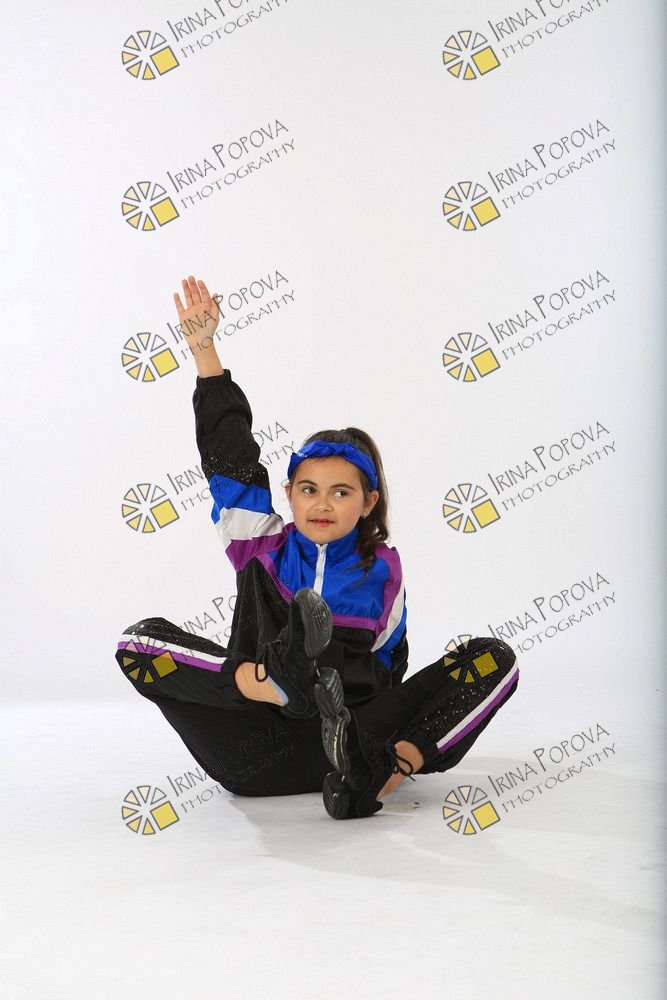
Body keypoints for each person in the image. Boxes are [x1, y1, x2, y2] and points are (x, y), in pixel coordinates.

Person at [114, 275, 520, 820]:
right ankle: (271, 683)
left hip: (348, 751)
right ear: (289, 495)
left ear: (368, 501)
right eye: (308, 490)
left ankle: (379, 780)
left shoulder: (383, 574)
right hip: (253, 746)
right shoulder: (259, 545)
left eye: (341, 492)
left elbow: (388, 675)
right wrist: (205, 351)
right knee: (139, 644)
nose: (322, 504)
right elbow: (231, 458)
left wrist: (368, 738)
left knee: (494, 659)